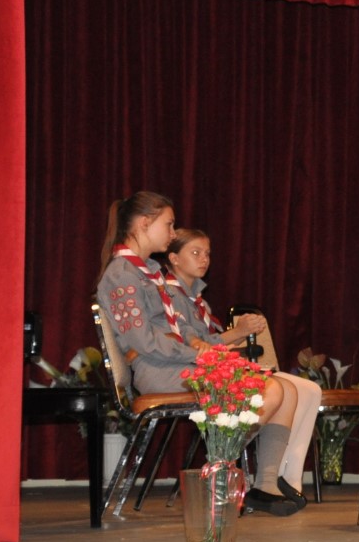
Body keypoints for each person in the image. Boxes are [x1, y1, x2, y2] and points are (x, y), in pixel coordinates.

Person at [94, 192, 302, 516]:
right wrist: (198, 355)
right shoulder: (122, 274)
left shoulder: (148, 272)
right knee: (269, 389)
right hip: (156, 369)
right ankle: (218, 470)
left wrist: (201, 345)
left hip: (174, 361)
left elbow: (176, 326)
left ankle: (263, 484)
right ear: (144, 223)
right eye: (168, 224)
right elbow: (144, 341)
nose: (172, 232)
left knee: (285, 390)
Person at [159, 228, 322, 513]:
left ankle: (276, 480)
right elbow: (194, 344)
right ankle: (222, 464)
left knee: (305, 389)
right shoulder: (170, 296)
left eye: (207, 253)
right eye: (195, 253)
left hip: (213, 365)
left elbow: (209, 341)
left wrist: (236, 343)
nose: (204, 259)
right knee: (280, 390)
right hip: (188, 370)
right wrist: (238, 333)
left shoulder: (197, 299)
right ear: (173, 258)